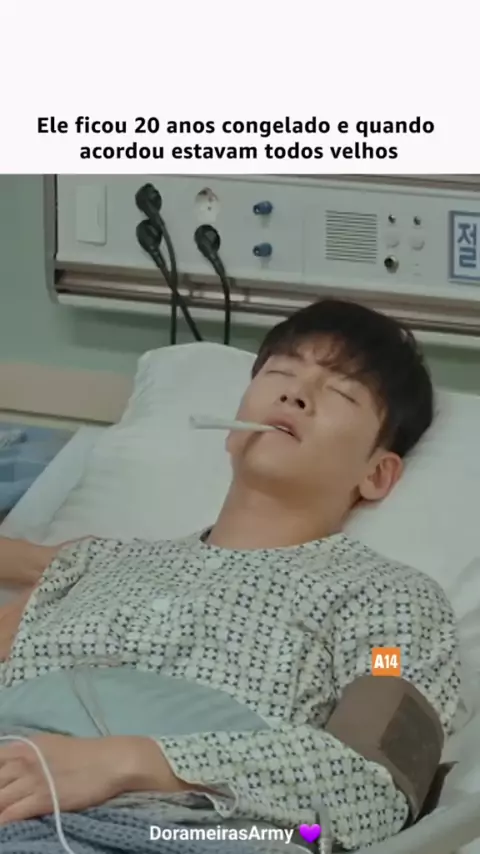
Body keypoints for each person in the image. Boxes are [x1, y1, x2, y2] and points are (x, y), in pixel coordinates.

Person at [0, 298, 461, 851]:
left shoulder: (388, 606)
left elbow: (371, 784)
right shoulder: (93, 564)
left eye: (341, 392)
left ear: (378, 474)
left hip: (184, 830)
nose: (294, 395)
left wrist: (136, 761)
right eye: (281, 374)